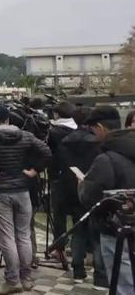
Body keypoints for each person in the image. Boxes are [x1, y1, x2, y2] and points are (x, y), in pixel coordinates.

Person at [0, 105, 51, 295]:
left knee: (7, 237)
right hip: (22, 189)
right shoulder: (24, 135)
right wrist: (33, 171)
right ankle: (26, 278)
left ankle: (12, 280)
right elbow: (46, 152)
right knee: (23, 236)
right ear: (8, 119)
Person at [79, 106, 134, 294]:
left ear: (100, 127)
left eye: (93, 130)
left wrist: (82, 184)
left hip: (116, 231)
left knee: (122, 284)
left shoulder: (106, 159)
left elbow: (89, 197)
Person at [64, 105, 109, 289]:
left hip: (74, 190)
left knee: (78, 231)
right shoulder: (99, 142)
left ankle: (78, 271)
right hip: (95, 190)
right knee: (98, 233)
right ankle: (100, 276)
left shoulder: (66, 141)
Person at [47, 101, 90, 279]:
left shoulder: (54, 132)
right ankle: (81, 252)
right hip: (81, 179)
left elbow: (48, 154)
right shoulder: (85, 133)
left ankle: (60, 248)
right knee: (79, 218)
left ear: (57, 114)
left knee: (59, 214)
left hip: (60, 178)